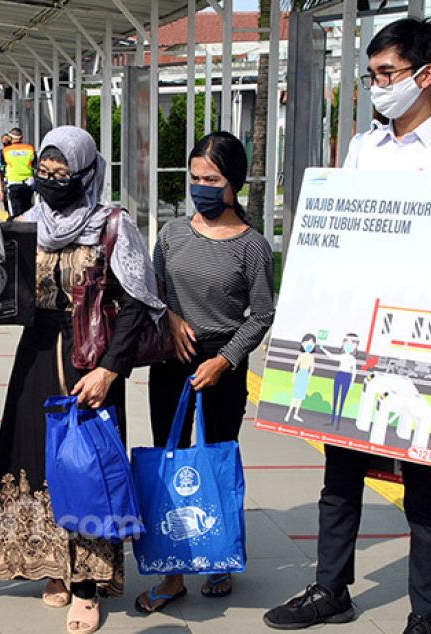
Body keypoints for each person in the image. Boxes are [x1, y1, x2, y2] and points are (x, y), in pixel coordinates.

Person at [264, 18, 431, 634]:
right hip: (359, 335)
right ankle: (331, 589)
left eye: (386, 74)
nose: (376, 87)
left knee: (424, 482)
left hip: (427, 342)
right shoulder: (363, 148)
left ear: (427, 76)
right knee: (339, 472)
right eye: (371, 75)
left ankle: (425, 617)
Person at [0, 126, 165, 634]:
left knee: (87, 468)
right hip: (36, 355)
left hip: (91, 359)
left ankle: (86, 584)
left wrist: (109, 370)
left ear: (85, 173)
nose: (52, 182)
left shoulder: (112, 225)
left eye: (62, 174)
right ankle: (51, 564)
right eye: (45, 173)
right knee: (34, 458)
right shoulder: (27, 223)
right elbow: (0, 292)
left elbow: (140, 303)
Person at [135, 131, 275, 613]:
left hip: (222, 360)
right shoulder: (171, 234)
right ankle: (171, 570)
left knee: (216, 459)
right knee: (167, 458)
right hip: (172, 356)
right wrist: (170, 318)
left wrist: (225, 360)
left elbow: (261, 315)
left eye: (211, 179)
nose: (201, 187)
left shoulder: (253, 247)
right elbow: (152, 291)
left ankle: (219, 556)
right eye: (194, 178)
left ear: (233, 182)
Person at [2, 127, 37, 217]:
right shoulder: (30, 149)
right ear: (22, 138)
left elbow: (2, 166)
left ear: (10, 138)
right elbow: (35, 165)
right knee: (28, 210)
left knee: (16, 213)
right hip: (28, 184)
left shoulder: (6, 150)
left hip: (13, 183)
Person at [285, 334, 318, 423]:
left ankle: (296, 414)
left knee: (300, 397)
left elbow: (312, 368)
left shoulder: (312, 357)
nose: (309, 345)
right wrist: (294, 375)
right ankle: (288, 413)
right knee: (295, 395)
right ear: (303, 344)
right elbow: (296, 365)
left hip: (305, 376)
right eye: (307, 342)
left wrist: (309, 376)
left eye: (312, 343)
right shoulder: (301, 355)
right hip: (300, 374)